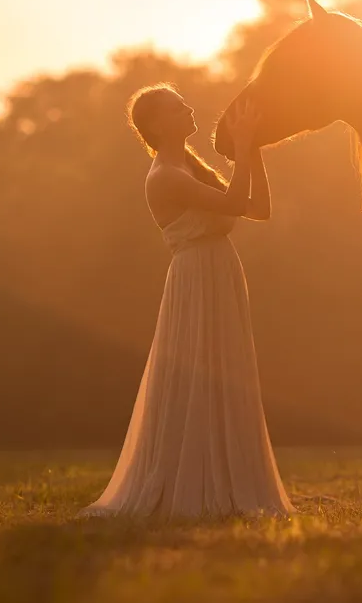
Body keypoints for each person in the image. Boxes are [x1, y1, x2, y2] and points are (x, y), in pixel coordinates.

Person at [81, 83, 293, 519]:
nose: (188, 108)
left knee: (228, 368)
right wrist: (246, 143)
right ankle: (193, 481)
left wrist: (252, 152)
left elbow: (258, 209)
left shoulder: (190, 169)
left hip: (219, 270)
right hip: (196, 277)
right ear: (159, 124)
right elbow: (236, 202)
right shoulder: (166, 177)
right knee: (201, 373)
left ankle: (231, 477)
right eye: (178, 107)